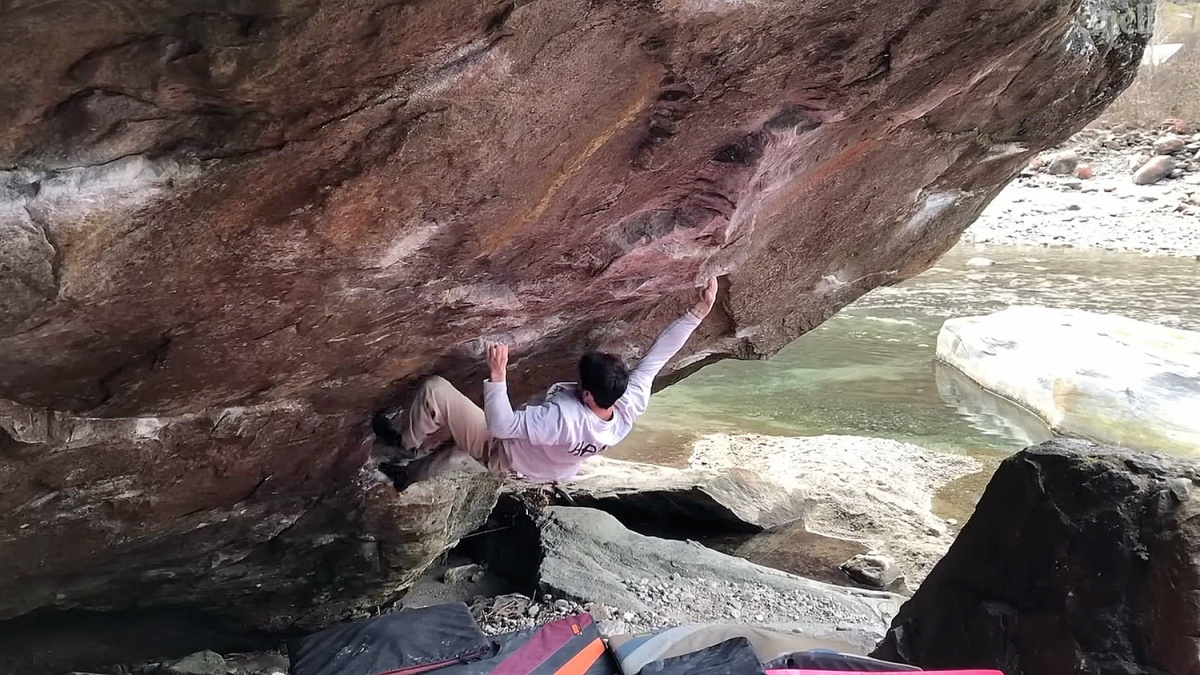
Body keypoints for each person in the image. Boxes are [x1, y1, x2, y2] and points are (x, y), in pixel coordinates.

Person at [373, 277, 718, 483]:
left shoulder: (561, 420)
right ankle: (409, 477)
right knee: (461, 440)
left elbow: (503, 425)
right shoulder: (626, 406)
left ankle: (405, 445)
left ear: (585, 395)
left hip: (506, 452)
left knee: (436, 392)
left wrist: (497, 374)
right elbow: (659, 357)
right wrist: (698, 312)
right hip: (545, 465)